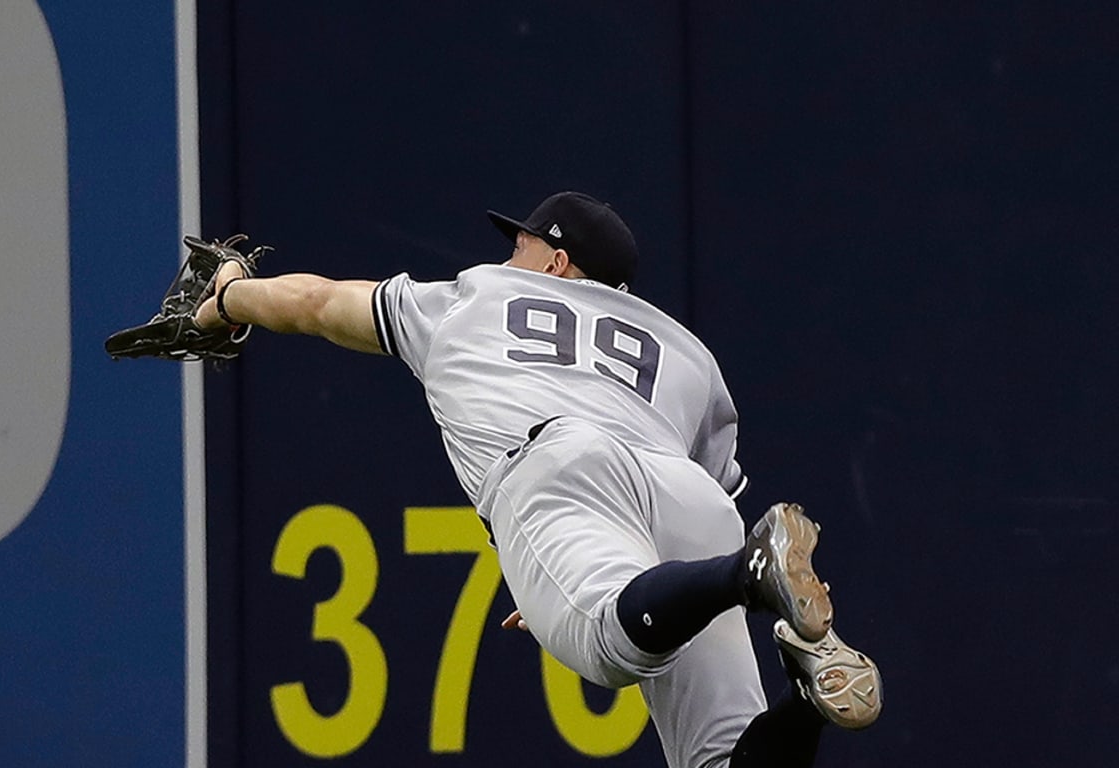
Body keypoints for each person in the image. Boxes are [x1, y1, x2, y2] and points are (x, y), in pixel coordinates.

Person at [192, 191, 881, 768]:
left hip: (560, 465)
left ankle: (746, 575)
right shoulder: (688, 354)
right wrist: (574, 571)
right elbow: (689, 499)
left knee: (609, 652)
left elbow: (315, 304)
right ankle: (810, 693)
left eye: (519, 245)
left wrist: (228, 296)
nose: (506, 256)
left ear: (555, 261)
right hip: (690, 493)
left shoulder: (478, 296)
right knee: (723, 759)